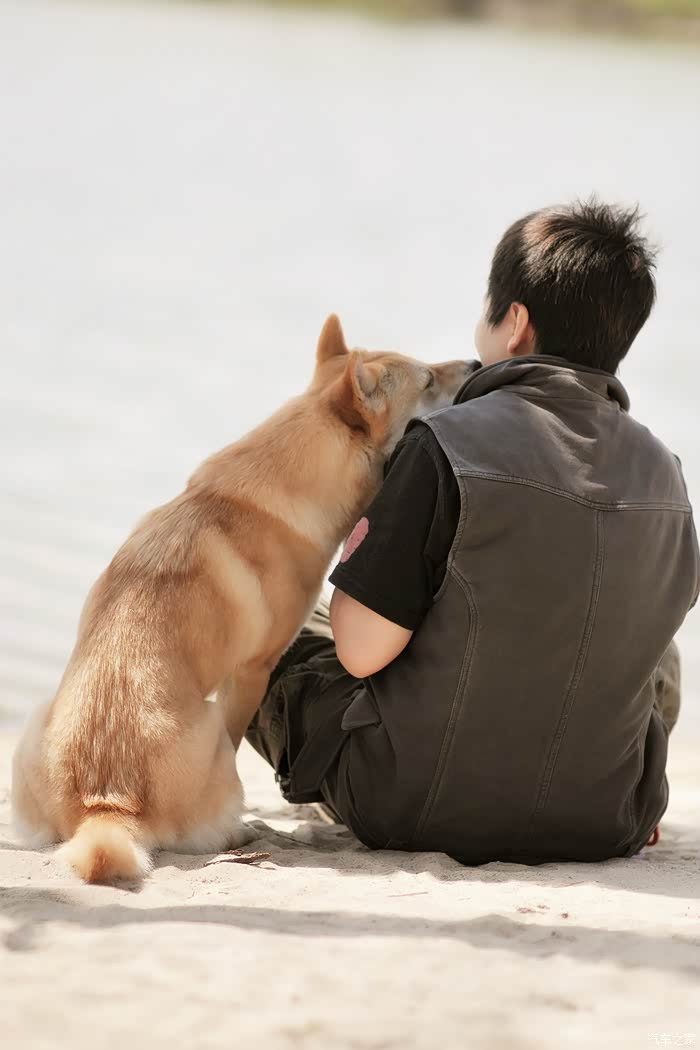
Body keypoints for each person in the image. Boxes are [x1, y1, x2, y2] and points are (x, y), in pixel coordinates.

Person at [246, 200, 699, 864]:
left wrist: (370, 517)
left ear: (514, 324)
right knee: (658, 651)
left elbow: (360, 651)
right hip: (606, 819)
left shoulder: (444, 443)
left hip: (409, 802)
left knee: (266, 624)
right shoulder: (669, 478)